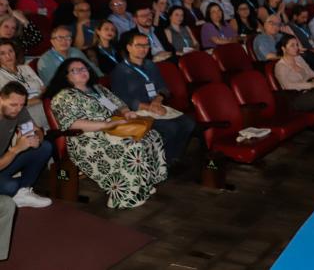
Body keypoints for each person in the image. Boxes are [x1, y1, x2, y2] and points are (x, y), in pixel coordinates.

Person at [46, 58, 167, 209]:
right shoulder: (64, 96)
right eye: (75, 70)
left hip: (113, 128)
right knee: (132, 146)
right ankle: (125, 196)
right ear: (66, 76)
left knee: (152, 135)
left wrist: (126, 112)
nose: (82, 72)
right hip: (87, 138)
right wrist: (105, 125)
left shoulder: (97, 88)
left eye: (84, 68)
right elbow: (72, 123)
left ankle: (143, 184)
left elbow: (118, 103)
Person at [110, 31, 195, 166]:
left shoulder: (150, 65)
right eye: (139, 45)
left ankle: (173, 158)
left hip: (155, 106)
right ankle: (161, 162)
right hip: (137, 112)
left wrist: (157, 101)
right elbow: (121, 98)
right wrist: (149, 107)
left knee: (188, 123)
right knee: (171, 128)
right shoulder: (120, 70)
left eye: (146, 45)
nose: (143, 49)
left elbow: (163, 88)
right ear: (129, 47)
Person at [0, 82, 53, 208]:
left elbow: (36, 129)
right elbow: (15, 151)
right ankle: (14, 190)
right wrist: (16, 149)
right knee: (10, 186)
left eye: (22, 105)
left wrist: (36, 139)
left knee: (45, 147)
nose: (17, 109)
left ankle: (23, 191)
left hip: (5, 161)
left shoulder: (18, 111)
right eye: (13, 104)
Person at [0, 40, 48, 129]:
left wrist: (41, 98)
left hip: (42, 105)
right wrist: (37, 100)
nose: (8, 56)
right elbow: (6, 104)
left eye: (10, 51)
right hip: (22, 112)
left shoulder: (26, 68)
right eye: (2, 53)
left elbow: (44, 89)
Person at [37, 26, 102, 83]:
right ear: (52, 41)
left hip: (86, 84)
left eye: (67, 37)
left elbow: (92, 67)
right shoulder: (45, 60)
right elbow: (52, 84)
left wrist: (101, 79)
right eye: (60, 38)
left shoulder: (76, 51)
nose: (64, 41)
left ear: (71, 41)